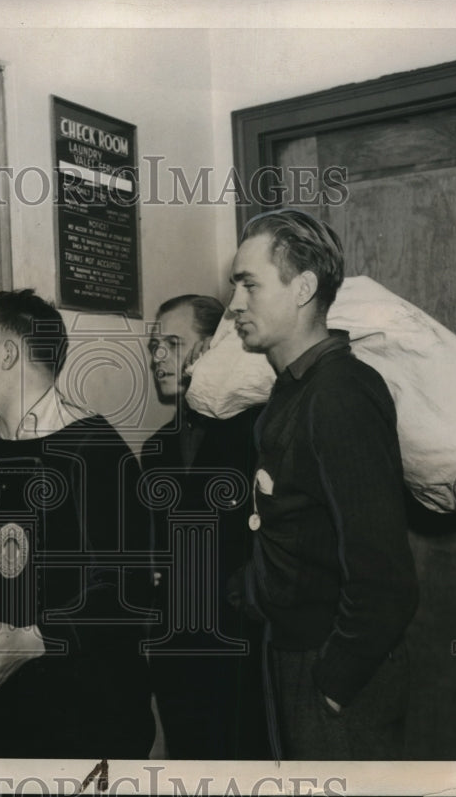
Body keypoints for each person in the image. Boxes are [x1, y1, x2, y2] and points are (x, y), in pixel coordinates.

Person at [226, 209, 419, 760]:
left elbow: (383, 573)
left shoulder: (340, 393)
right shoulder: (295, 390)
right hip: (292, 653)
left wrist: (336, 683)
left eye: (250, 285)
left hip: (332, 669)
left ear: (303, 288)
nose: (235, 304)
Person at [0, 289, 154, 759]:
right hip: (18, 712)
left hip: (95, 714)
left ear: (10, 353)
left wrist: (34, 641)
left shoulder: (95, 451)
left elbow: (129, 592)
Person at [143, 295, 268, 759]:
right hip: (178, 656)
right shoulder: (155, 450)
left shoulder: (258, 433)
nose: (156, 356)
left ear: (210, 350)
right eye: (154, 345)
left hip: (248, 655)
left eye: (171, 344)